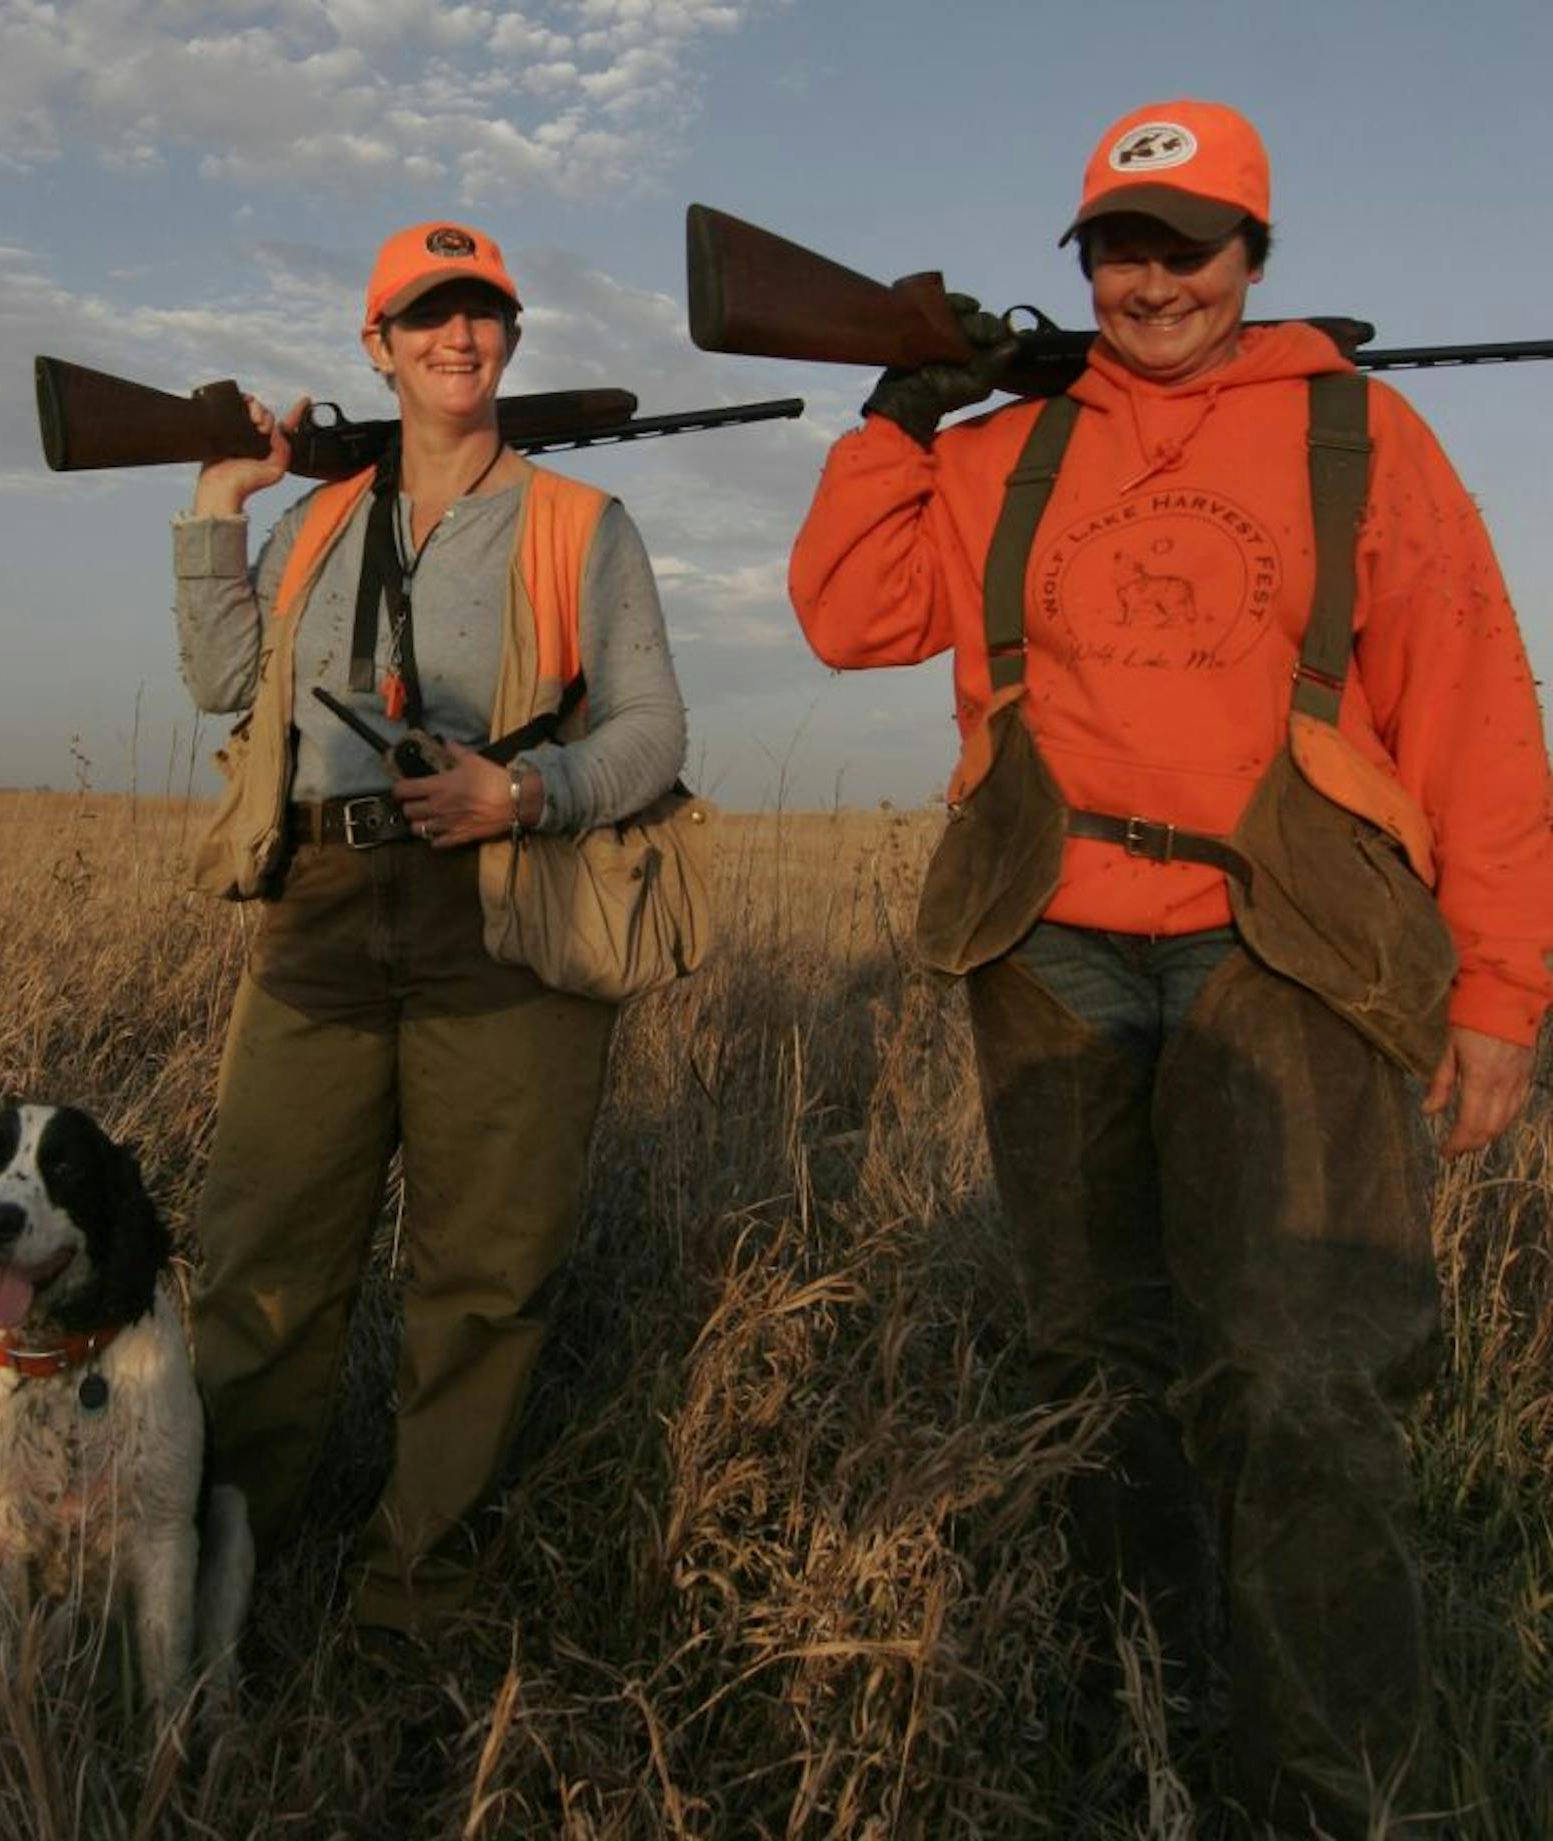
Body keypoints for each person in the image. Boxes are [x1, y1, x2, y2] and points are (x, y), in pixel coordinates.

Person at [789, 99, 1553, 1833]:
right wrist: (902, 404)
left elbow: (1480, 717)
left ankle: (1348, 1790)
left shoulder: (1365, 436)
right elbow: (847, 613)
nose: (1152, 281)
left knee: (1299, 1375)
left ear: (1254, 255)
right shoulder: (1006, 446)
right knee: (1094, 1363)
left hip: (1283, 941)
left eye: (1189, 246)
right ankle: (1138, 1726)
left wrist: (1502, 993)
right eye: (1118, 249)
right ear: (1085, 263)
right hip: (1048, 944)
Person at [169, 220, 686, 1641]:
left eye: (484, 317)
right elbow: (226, 673)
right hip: (324, 906)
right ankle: (221, 1575)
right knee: (263, 1245)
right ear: (378, 347)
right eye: (428, 319)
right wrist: (220, 500)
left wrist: (525, 788)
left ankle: (419, 1591)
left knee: (482, 1272)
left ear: (509, 340)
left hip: (504, 915)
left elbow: (654, 731)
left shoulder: (582, 526)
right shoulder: (320, 518)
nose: (460, 341)